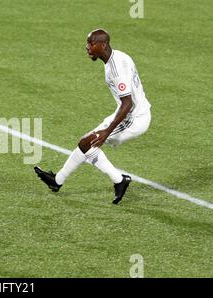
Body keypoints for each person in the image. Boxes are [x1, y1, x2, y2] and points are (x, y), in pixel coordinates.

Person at [34, 29, 151, 204]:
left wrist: (106, 132)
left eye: (91, 43)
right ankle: (57, 181)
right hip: (127, 113)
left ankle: (119, 180)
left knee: (88, 143)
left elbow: (128, 104)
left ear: (103, 45)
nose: (87, 47)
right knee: (85, 143)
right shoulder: (118, 56)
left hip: (133, 118)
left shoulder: (115, 70)